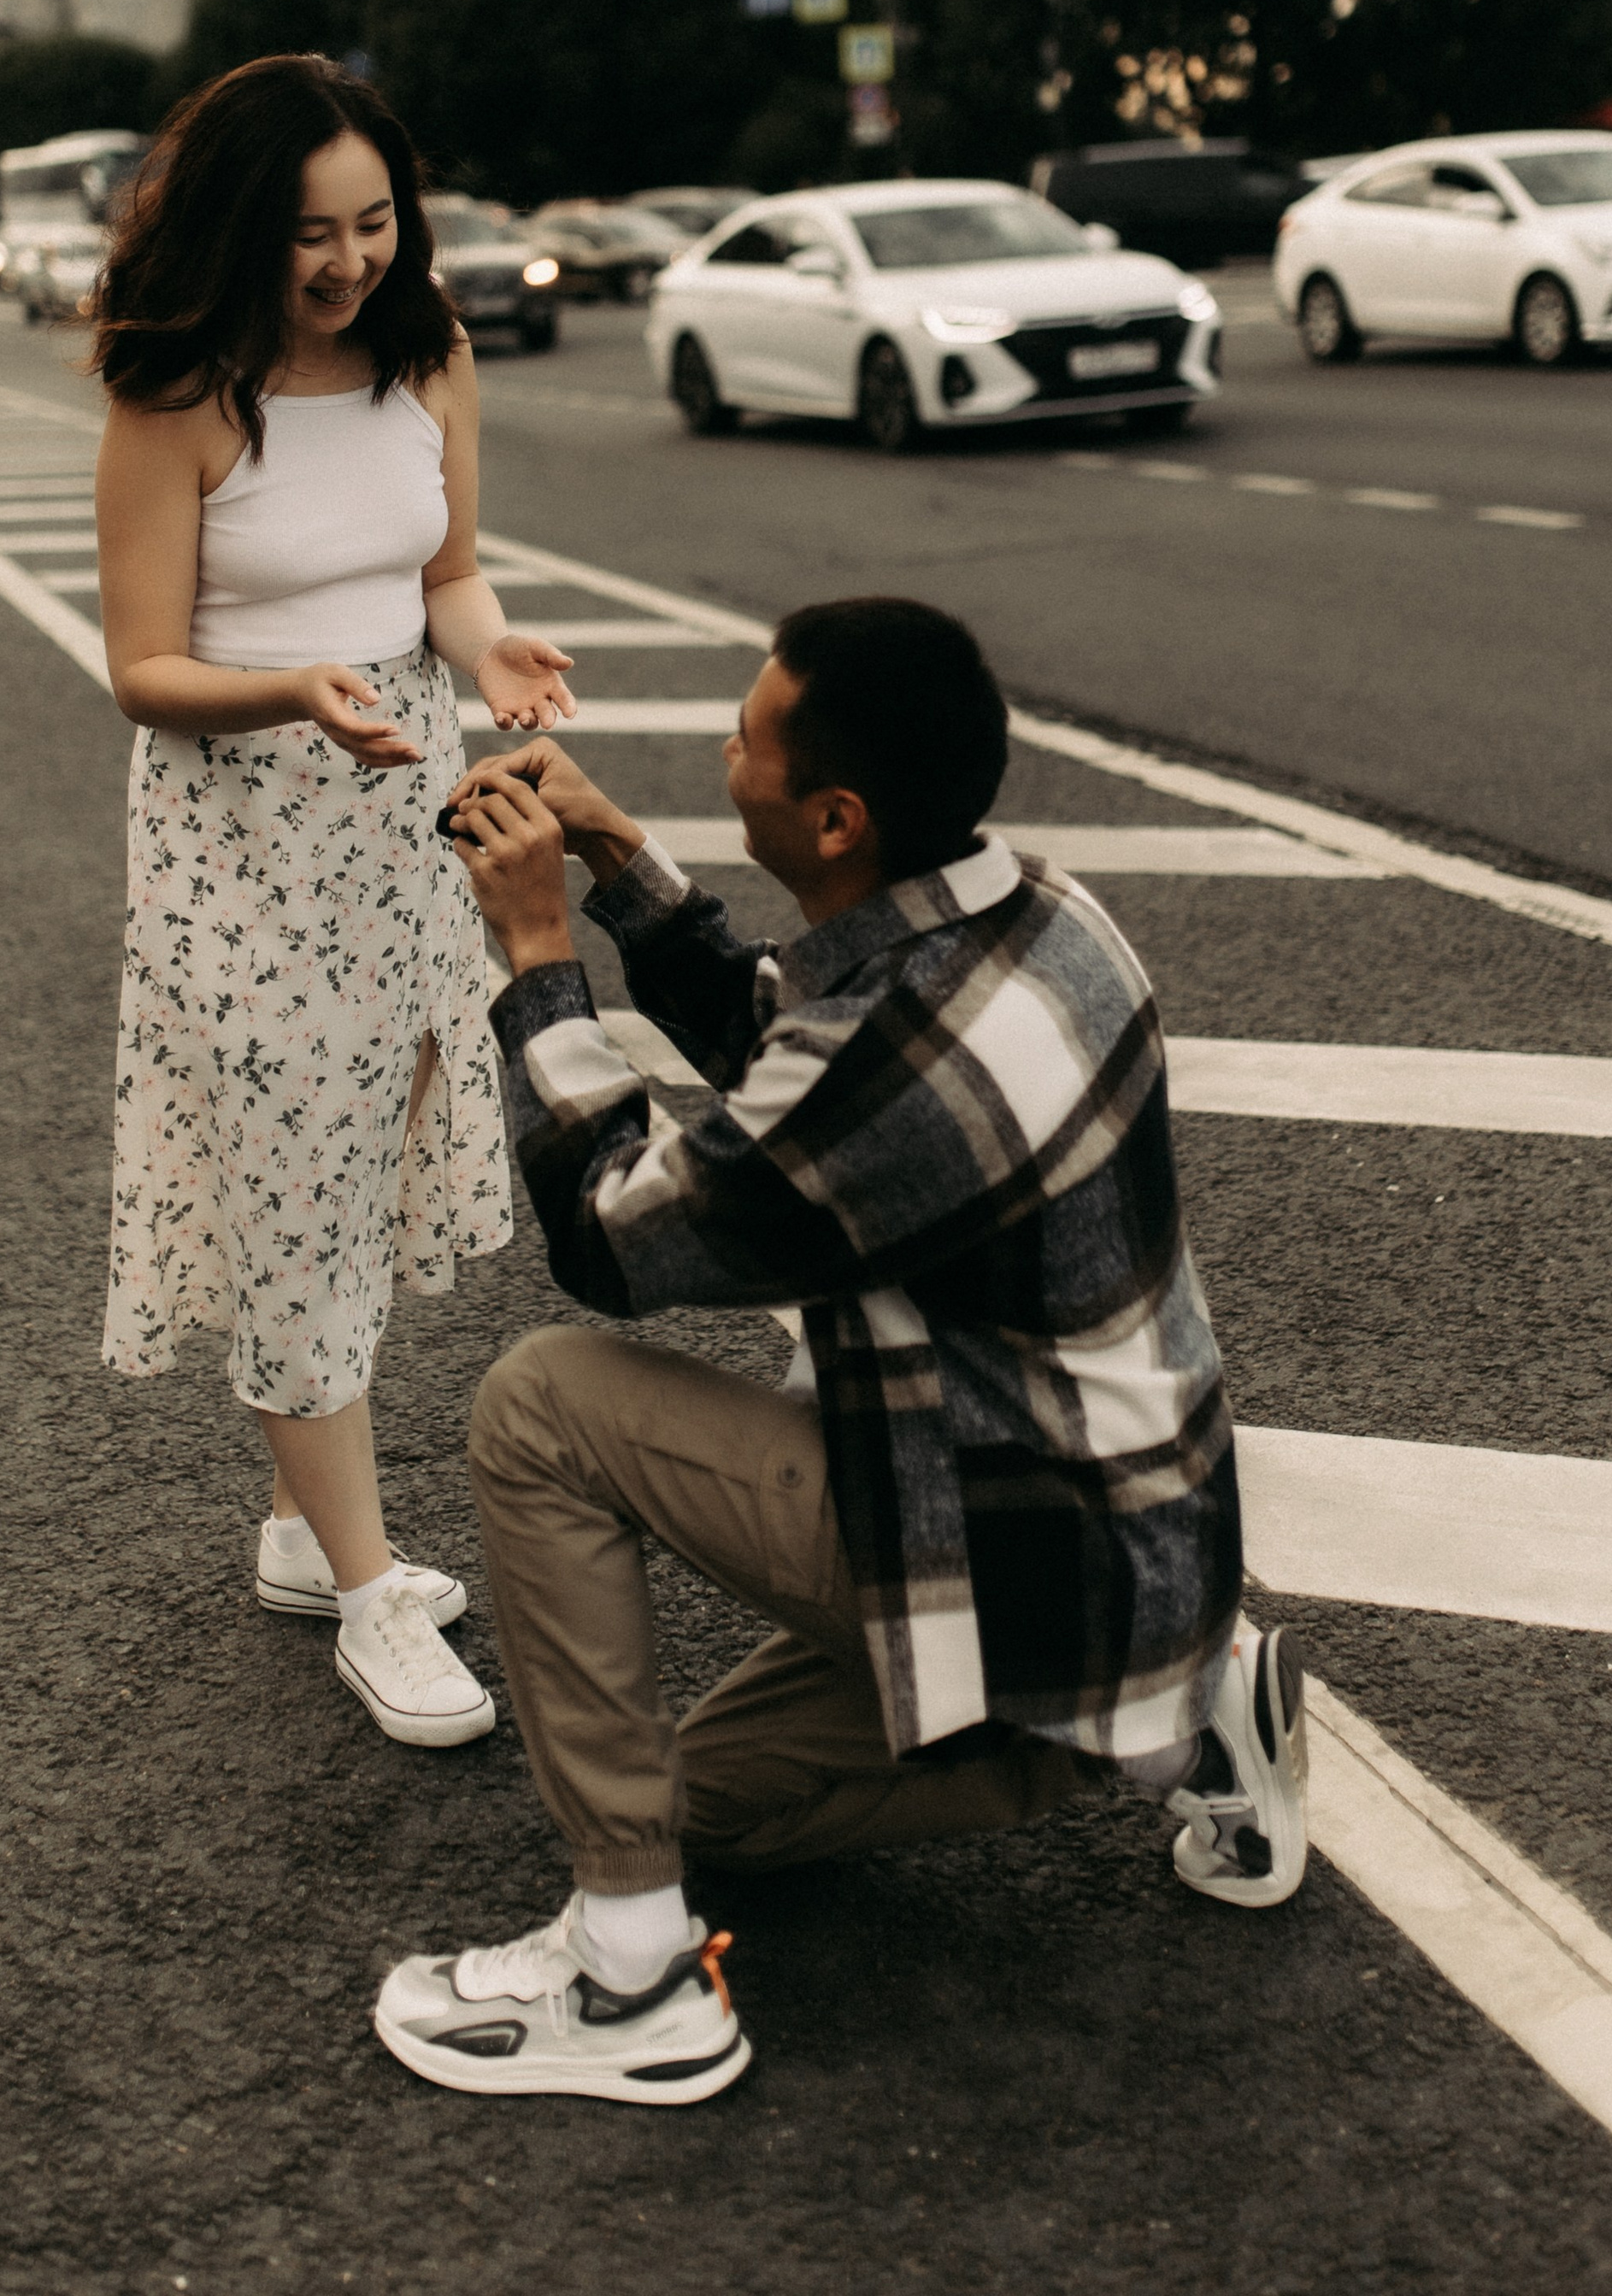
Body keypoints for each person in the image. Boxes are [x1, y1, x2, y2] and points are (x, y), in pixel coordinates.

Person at [373, 596, 1307, 2105]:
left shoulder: (901, 1054)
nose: (724, 754)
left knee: (539, 1403)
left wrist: (539, 955)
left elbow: (621, 1235)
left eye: (745, 738)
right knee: (700, 1811)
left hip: (1018, 1552)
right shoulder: (1045, 921)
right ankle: (1195, 1715)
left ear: (836, 816)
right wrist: (621, 867)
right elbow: (800, 1066)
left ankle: (632, 1982)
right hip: (1139, 1554)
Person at [91, 54, 577, 1753]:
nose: (349, 261)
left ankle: (308, 1529)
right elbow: (141, 666)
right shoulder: (176, 395)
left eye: (373, 223)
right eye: (311, 234)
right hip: (238, 837)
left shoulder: (425, 354)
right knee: (289, 1171)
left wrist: (486, 646)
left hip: (397, 824)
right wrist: (295, 688)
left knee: (364, 1156)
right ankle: (370, 1593)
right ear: (240, 228)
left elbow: (441, 573)